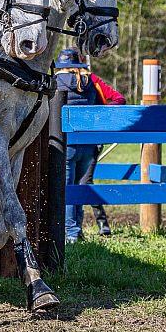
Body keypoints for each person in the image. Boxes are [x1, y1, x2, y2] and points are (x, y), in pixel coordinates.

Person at [55, 48, 127, 242]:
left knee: (67, 188)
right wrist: (100, 113)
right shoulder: (91, 81)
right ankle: (77, 230)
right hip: (89, 144)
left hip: (66, 143)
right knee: (80, 187)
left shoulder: (55, 83)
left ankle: (70, 233)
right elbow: (119, 99)